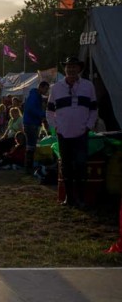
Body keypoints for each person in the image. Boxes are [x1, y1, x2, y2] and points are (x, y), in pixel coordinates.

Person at [47, 55, 98, 208]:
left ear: (79, 69)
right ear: (65, 69)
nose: (71, 69)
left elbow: (94, 109)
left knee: (81, 166)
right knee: (66, 166)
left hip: (81, 134)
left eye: (74, 66)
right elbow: (49, 111)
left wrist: (88, 126)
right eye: (68, 66)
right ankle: (69, 198)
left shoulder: (88, 86)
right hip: (63, 134)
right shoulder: (56, 88)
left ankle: (81, 198)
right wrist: (56, 127)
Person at [22, 79, 50, 174]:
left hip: (30, 123)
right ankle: (28, 168)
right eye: (45, 89)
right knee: (31, 146)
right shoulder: (35, 96)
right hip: (31, 123)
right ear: (40, 87)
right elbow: (32, 109)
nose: (46, 91)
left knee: (30, 146)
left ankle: (28, 167)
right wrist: (43, 114)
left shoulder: (35, 95)